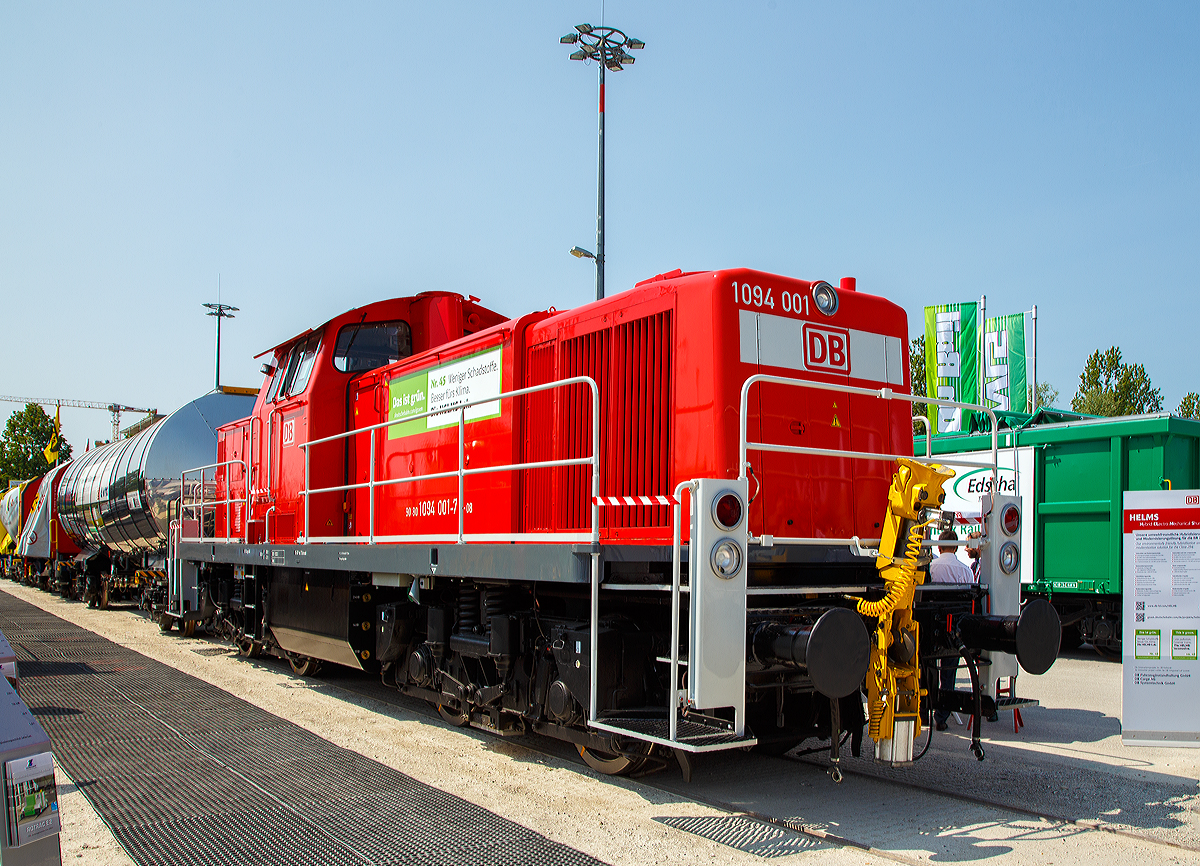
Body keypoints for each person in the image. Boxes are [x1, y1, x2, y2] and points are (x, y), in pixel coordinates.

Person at [929, 528, 974, 729]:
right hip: (954, 630)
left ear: (938, 546)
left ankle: (923, 711)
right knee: (948, 672)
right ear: (956, 547)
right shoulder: (967, 571)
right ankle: (941, 717)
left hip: (932, 627)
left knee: (928, 668)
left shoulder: (931, 568)